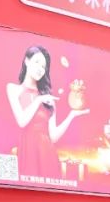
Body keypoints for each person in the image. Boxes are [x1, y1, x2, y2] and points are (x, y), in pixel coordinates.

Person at [5, 46, 88, 178]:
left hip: (47, 155)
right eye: (37, 62)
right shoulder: (13, 89)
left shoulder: (48, 98)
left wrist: (70, 116)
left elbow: (53, 137)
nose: (40, 68)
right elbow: (22, 121)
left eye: (43, 66)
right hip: (27, 152)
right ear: (27, 61)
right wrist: (38, 100)